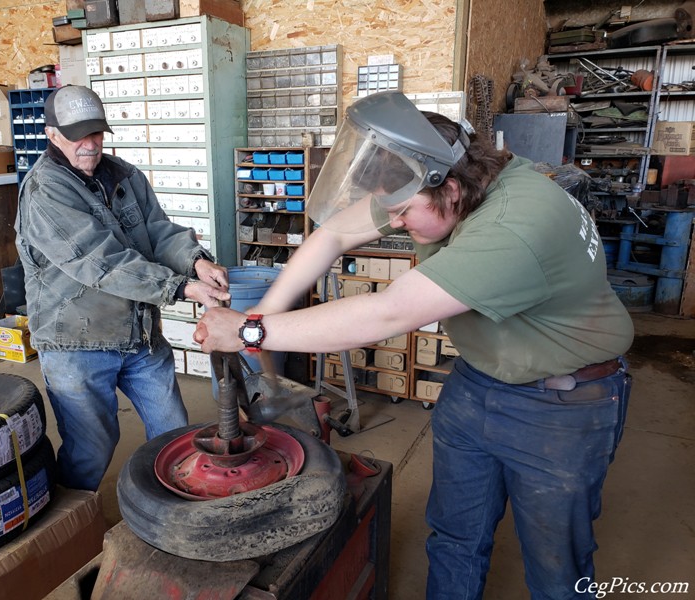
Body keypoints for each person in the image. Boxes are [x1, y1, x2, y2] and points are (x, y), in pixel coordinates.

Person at [195, 91, 634, 599]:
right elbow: (334, 233)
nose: (396, 224)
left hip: (563, 405)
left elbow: (389, 312)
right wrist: (260, 314)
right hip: (477, 380)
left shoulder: (516, 226)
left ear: (448, 188)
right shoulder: (454, 177)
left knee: (557, 564)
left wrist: (249, 333)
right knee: (454, 535)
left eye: (403, 213)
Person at [15, 85, 229, 491]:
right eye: (79, 134)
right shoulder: (46, 190)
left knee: (173, 434)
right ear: (52, 133)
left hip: (140, 335)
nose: (90, 144)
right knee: (91, 447)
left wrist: (195, 261)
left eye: (96, 133)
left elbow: (158, 230)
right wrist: (181, 288)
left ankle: (171, 511)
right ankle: (72, 527)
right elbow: (99, 261)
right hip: (76, 342)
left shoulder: (124, 176)